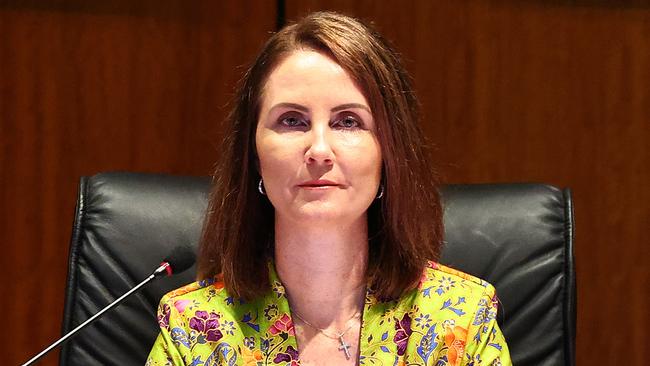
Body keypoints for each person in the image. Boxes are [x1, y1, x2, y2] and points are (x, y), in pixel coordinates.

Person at [147, 11, 510, 366]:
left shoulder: (460, 323)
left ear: (389, 153)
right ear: (253, 155)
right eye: (292, 120)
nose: (319, 150)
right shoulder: (194, 330)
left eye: (348, 122)